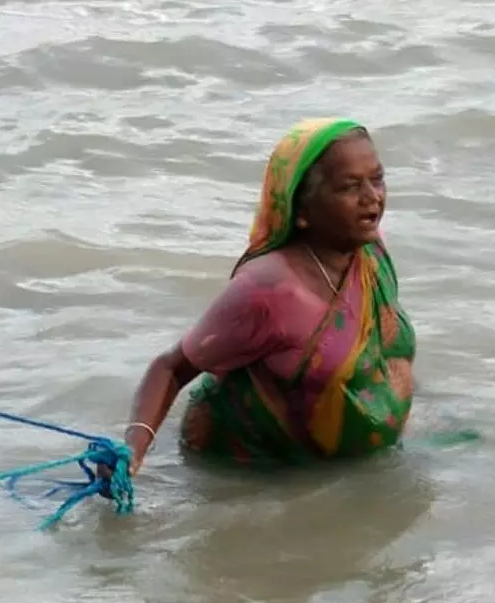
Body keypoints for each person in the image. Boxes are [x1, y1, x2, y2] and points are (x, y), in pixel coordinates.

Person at [117, 117, 416, 473]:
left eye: (377, 179)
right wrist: (131, 454)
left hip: (354, 467)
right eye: (349, 187)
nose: (373, 198)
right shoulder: (268, 291)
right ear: (300, 209)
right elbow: (171, 367)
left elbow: (377, 352)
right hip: (256, 477)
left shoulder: (368, 252)